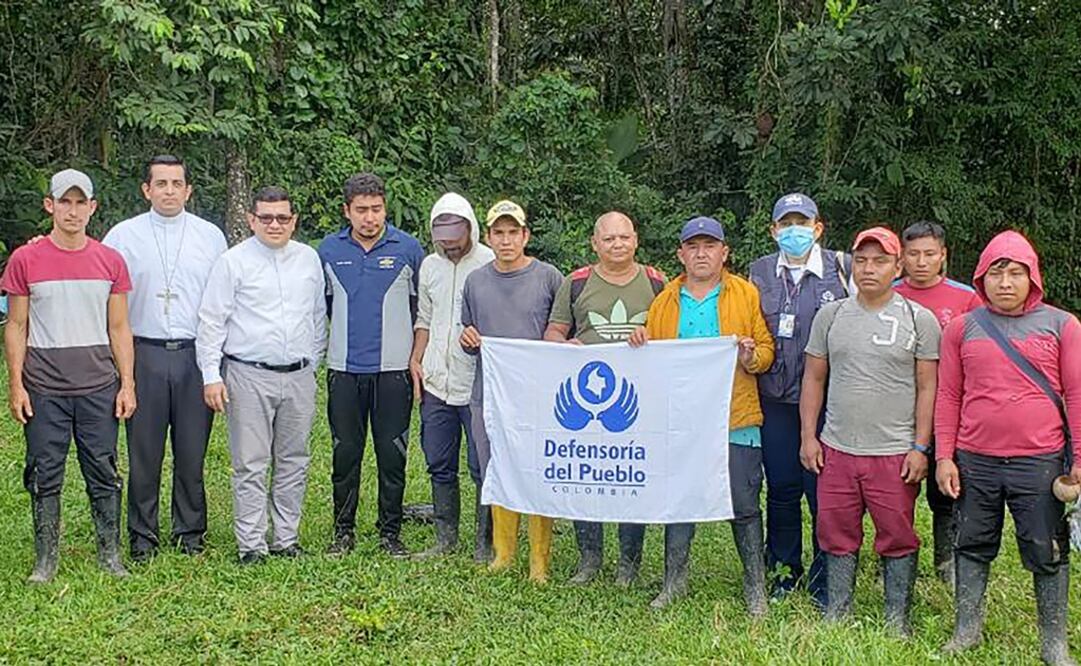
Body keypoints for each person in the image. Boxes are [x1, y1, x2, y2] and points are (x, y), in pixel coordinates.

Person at [935, 231, 1081, 665]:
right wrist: (945, 455)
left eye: (1015, 272)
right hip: (975, 458)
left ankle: (1054, 644)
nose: (1005, 282)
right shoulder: (962, 328)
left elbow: (1076, 394)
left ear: (1032, 277)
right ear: (981, 278)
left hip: (1040, 461)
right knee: (972, 543)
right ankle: (967, 631)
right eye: (996, 272)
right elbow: (948, 396)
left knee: (1047, 550)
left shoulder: (1063, 325)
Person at [628, 216, 775, 613]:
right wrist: (640, 341)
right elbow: (652, 363)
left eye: (709, 246)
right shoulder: (664, 302)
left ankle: (755, 587)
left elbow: (765, 350)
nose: (701, 253)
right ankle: (674, 581)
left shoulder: (745, 295)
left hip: (735, 417)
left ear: (724, 252)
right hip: (680, 423)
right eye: (693, 247)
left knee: (744, 502)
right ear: (681, 254)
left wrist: (750, 356)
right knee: (679, 499)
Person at [800, 227, 939, 637]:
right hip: (838, 448)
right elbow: (813, 379)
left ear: (897, 267)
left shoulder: (919, 319)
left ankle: (897, 619)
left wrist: (921, 446)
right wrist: (809, 436)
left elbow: (929, 386)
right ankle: (837, 612)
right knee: (835, 532)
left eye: (880, 261)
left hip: (894, 451)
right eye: (861, 260)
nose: (868, 269)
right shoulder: (832, 315)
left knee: (897, 534)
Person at [2, 169, 136, 581]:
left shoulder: (109, 261)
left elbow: (118, 327)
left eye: (81, 203)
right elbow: (17, 326)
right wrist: (16, 384)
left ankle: (110, 554)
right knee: (44, 472)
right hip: (44, 388)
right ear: (51, 205)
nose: (73, 211)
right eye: (65, 202)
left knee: (103, 469)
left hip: (97, 385)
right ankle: (45, 560)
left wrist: (127, 383)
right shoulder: (25, 259)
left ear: (92, 208)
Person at [103, 154, 227, 561]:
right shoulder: (122, 236)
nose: (169, 191)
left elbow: (222, 299)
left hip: (194, 354)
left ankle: (190, 534)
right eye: (161, 183)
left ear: (189, 190)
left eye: (177, 183)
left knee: (191, 452)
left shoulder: (210, 236)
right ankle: (142, 538)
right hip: (145, 354)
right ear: (147, 189)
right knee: (144, 452)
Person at [196, 186, 326, 564]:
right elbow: (211, 320)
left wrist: (310, 364)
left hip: (299, 375)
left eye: (282, 217)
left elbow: (317, 316)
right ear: (251, 219)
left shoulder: (308, 260)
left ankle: (285, 539)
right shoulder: (233, 262)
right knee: (251, 462)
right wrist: (210, 374)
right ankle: (251, 543)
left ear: (293, 220)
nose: (274, 224)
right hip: (248, 375)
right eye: (266, 217)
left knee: (294, 459)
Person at [543, 211, 665, 585]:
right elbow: (553, 331)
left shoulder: (656, 282)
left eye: (624, 238)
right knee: (588, 473)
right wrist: (565, 345)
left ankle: (630, 563)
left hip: (640, 400)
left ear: (636, 240)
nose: (617, 245)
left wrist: (652, 335)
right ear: (595, 243)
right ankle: (589, 559)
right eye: (609, 239)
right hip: (585, 401)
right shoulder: (576, 282)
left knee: (631, 474)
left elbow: (672, 337)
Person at [748, 193, 850, 606]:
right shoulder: (757, 274)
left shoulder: (842, 270)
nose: (794, 231)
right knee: (782, 489)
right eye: (785, 224)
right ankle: (783, 572)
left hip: (829, 403)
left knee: (823, 491)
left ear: (817, 227)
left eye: (801, 223)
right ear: (773, 231)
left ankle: (826, 576)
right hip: (774, 401)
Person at [318, 173, 425, 558]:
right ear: (347, 211)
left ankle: (390, 533)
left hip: (394, 372)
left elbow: (421, 312)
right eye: (361, 210)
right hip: (344, 371)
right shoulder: (328, 251)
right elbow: (323, 308)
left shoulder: (409, 249)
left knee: (392, 454)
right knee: (345, 454)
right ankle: (342, 532)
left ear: (385, 208)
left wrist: (415, 359)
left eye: (376, 209)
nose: (369, 217)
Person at [460, 200, 563, 582]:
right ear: (488, 237)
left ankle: (540, 561)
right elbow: (467, 331)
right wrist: (467, 339)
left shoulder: (548, 277)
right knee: (496, 468)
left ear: (525, 236)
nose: (506, 240)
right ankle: (504, 554)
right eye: (498, 233)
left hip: (538, 395)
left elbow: (561, 329)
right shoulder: (476, 281)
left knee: (538, 470)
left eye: (513, 232)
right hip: (489, 392)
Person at [892, 220, 980, 585]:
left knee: (947, 491)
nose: (922, 262)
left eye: (930, 254)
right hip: (898, 412)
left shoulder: (966, 299)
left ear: (943, 255)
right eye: (913, 254)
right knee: (898, 491)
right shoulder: (888, 293)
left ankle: (947, 565)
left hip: (952, 413)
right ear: (901, 257)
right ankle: (897, 561)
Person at [409, 192, 494, 559]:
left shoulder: (490, 262)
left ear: (470, 227)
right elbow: (424, 319)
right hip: (435, 381)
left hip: (476, 381)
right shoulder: (429, 266)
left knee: (481, 465)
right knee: (439, 462)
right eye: (441, 231)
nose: (448, 239)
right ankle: (445, 538)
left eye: (455, 230)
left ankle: (485, 542)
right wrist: (416, 359)